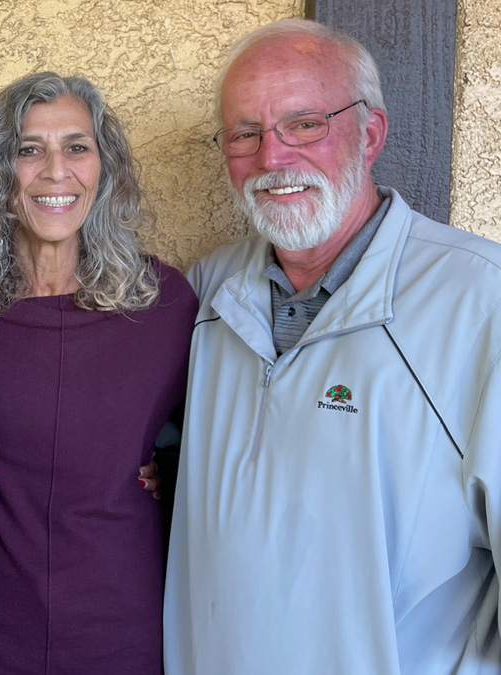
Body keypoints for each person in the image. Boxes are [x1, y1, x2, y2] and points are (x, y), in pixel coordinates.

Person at [164, 18, 501, 674]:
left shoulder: (480, 300)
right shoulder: (203, 296)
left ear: (370, 133)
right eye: (245, 133)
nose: (272, 158)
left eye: (304, 123)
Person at [0, 72, 197, 674]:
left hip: (125, 621)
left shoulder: (164, 303)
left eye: (77, 147)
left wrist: (172, 470)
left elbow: (227, 429)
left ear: (105, 167)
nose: (55, 170)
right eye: (28, 149)